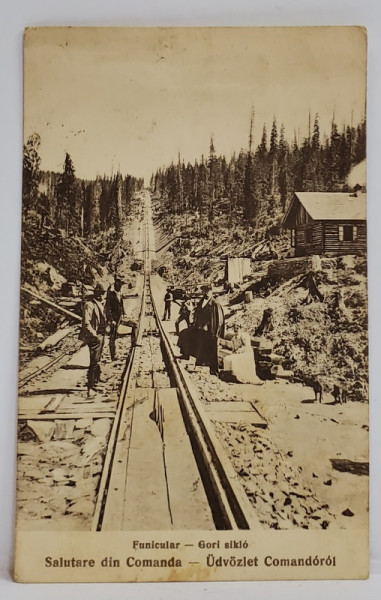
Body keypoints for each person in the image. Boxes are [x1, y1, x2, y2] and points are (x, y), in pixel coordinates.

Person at [79, 282, 106, 398]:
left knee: (97, 359)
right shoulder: (89, 305)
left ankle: (96, 381)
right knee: (93, 362)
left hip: (101, 335)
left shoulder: (100, 303)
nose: (101, 296)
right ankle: (90, 388)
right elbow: (86, 323)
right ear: (95, 293)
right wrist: (94, 335)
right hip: (94, 336)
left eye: (103, 294)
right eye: (99, 293)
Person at [193, 284, 225, 376]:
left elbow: (219, 320)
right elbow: (198, 313)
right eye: (205, 291)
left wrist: (215, 331)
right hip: (201, 330)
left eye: (208, 291)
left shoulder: (215, 304)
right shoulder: (201, 302)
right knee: (201, 347)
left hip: (211, 331)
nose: (206, 293)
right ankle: (200, 366)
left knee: (213, 350)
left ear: (211, 292)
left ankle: (214, 370)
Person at [105, 275, 124, 361]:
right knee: (112, 337)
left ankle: (134, 343)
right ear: (115, 286)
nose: (119, 287)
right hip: (113, 319)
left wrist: (123, 314)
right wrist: (111, 320)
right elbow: (107, 309)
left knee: (115, 336)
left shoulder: (120, 294)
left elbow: (121, 305)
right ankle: (113, 355)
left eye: (120, 286)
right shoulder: (111, 295)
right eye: (118, 286)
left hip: (119, 317)